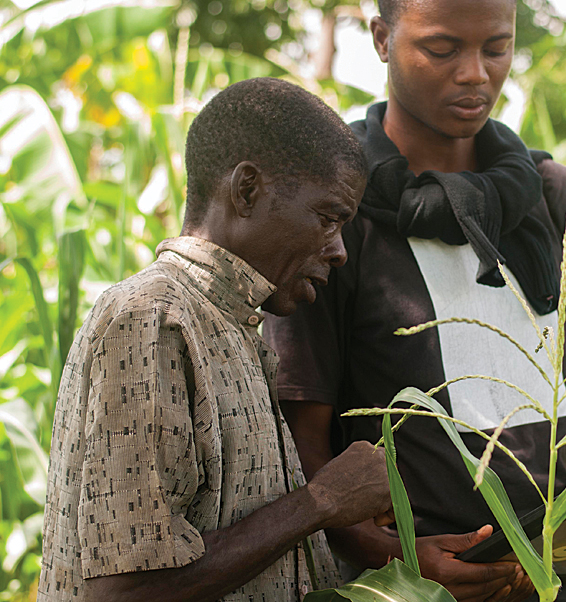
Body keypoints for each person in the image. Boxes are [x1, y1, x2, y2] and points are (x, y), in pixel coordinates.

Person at [264, 1, 566, 600]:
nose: (476, 73)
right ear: (382, 39)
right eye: (442, 49)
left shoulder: (554, 197)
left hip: (558, 582)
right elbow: (303, 444)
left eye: (496, 48)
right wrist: (398, 557)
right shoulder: (335, 213)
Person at [38, 77, 393, 602]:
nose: (339, 250)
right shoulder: (153, 319)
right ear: (246, 190)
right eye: (327, 219)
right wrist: (321, 501)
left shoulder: (234, 326)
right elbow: (124, 592)